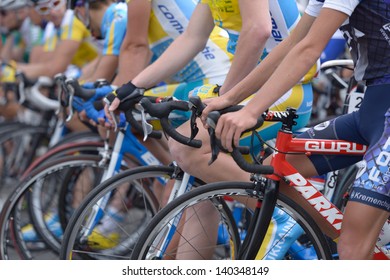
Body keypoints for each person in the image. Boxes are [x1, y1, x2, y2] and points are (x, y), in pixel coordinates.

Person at [105, 0, 318, 259]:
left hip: (285, 89)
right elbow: (192, 38)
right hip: (253, 87)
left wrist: (225, 95)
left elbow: (258, 30)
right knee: (200, 188)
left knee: (188, 146)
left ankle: (278, 216)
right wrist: (134, 86)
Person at [200, 0, 390, 260]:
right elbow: (291, 45)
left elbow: (308, 51)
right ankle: (355, 243)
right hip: (373, 108)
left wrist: (251, 111)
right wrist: (231, 97)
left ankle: (355, 245)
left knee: (353, 246)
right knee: (276, 168)